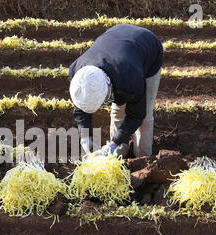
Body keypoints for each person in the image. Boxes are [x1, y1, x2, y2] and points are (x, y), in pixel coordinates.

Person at [69, 24, 163, 158]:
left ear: (108, 88)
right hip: (116, 42)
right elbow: (81, 108)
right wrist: (85, 138)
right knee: (118, 111)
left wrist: (113, 143)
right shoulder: (78, 75)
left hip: (148, 50)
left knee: (145, 117)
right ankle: (117, 155)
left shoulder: (131, 78)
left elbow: (137, 115)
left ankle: (143, 158)